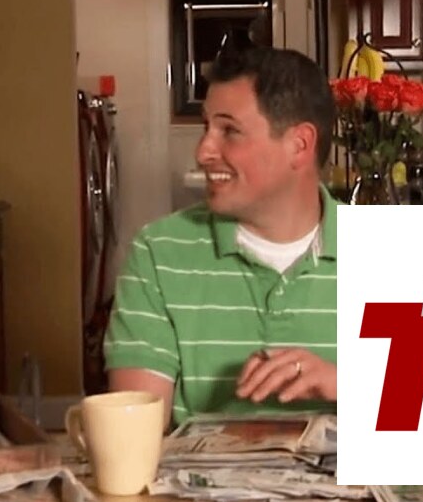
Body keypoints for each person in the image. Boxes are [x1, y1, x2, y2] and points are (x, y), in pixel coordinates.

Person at [104, 47, 338, 428]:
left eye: (229, 131)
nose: (203, 152)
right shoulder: (158, 254)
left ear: (299, 145)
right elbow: (134, 432)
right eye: (206, 128)